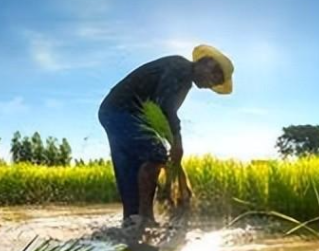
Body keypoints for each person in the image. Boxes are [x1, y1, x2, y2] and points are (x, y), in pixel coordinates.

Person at [99, 44, 233, 229]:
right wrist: (177, 143)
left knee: (132, 170)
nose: (211, 85)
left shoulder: (184, 80)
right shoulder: (180, 68)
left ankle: (132, 229)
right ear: (206, 63)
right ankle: (147, 219)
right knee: (156, 154)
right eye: (214, 78)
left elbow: (163, 113)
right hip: (121, 111)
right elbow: (165, 107)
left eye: (216, 85)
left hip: (114, 112)